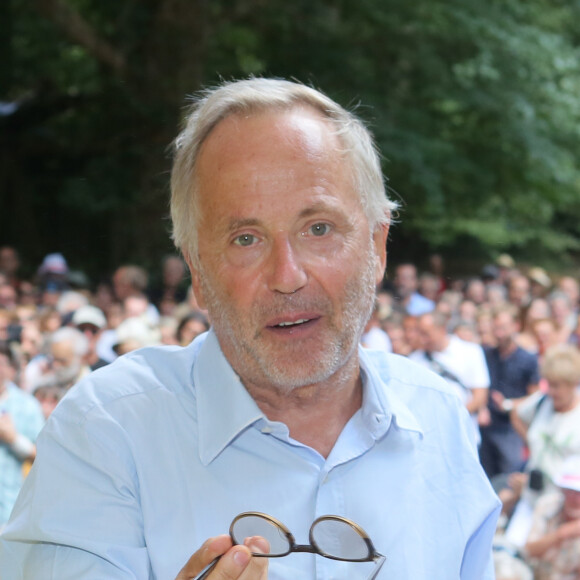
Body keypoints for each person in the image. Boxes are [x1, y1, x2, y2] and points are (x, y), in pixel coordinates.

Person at [0, 78, 500, 579]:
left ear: (378, 247)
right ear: (197, 271)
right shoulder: (106, 435)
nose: (287, 277)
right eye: (245, 238)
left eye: (318, 229)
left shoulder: (439, 422)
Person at [410, 310, 490, 444]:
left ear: (441, 329)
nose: (422, 339)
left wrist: (450, 417)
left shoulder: (471, 352)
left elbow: (480, 396)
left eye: (426, 334)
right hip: (429, 439)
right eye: (420, 334)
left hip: (463, 435)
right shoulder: (415, 360)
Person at [479, 306, 540, 479]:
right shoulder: (485, 354)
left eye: (503, 328)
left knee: (509, 478)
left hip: (511, 429)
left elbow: (535, 397)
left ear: (516, 326)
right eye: (496, 328)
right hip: (486, 427)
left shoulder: (528, 359)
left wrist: (509, 404)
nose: (499, 333)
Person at [0, 342, 45, 528]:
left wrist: (13, 439)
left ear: (11, 370)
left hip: (10, 508)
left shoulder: (26, 405)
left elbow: (42, 453)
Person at [523, 455, 580, 580]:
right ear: (562, 490)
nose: (575, 498)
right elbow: (527, 551)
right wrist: (561, 534)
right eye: (571, 491)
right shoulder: (548, 504)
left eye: (579, 493)